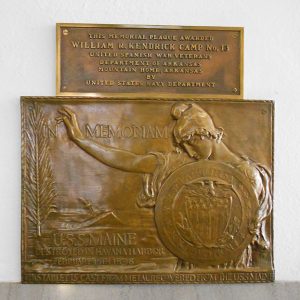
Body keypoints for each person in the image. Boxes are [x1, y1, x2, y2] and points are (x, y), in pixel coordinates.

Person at [58, 102, 272, 269]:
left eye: (191, 142)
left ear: (206, 134)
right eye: (183, 145)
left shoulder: (247, 173)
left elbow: (243, 228)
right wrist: (80, 139)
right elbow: (130, 161)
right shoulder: (183, 164)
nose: (188, 150)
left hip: (229, 263)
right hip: (190, 260)